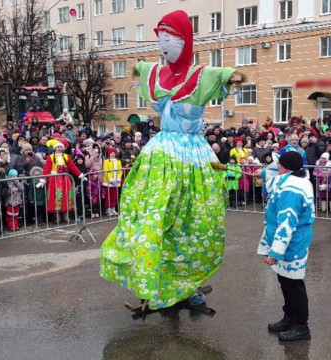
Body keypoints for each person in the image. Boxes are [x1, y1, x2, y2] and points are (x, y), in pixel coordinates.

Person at [100, 10, 242, 310]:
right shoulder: (157, 73)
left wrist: (236, 76)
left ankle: (185, 283)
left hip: (193, 157)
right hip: (162, 154)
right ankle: (155, 280)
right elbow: (139, 67)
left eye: (170, 39)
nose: (163, 46)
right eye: (160, 40)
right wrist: (136, 69)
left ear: (185, 41)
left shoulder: (202, 76)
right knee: (152, 218)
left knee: (192, 223)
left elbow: (236, 76)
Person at [256, 151, 314, 342]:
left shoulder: (291, 190)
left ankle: (301, 326)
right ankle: (289, 317)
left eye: (279, 164)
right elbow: (274, 179)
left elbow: (286, 225)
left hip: (292, 243)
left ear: (286, 168)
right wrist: (263, 174)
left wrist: (274, 253)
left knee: (294, 284)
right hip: (289, 242)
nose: (276, 167)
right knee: (285, 281)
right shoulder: (293, 178)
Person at [37, 142, 86, 224]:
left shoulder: (67, 157)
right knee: (57, 196)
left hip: (65, 179)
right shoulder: (50, 157)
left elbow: (72, 167)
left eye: (61, 147)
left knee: (66, 196)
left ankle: (65, 214)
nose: (59, 148)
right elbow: (46, 169)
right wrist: (43, 179)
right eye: (58, 147)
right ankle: (57, 216)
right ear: (55, 148)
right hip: (55, 180)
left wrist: (80, 175)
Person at [102, 148, 122, 217]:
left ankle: (113, 207)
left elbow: (120, 171)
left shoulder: (118, 161)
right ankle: (108, 209)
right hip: (108, 182)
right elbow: (106, 171)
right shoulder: (106, 161)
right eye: (111, 153)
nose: (112, 154)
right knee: (108, 196)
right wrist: (111, 179)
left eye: (113, 153)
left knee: (114, 196)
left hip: (116, 181)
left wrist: (118, 178)